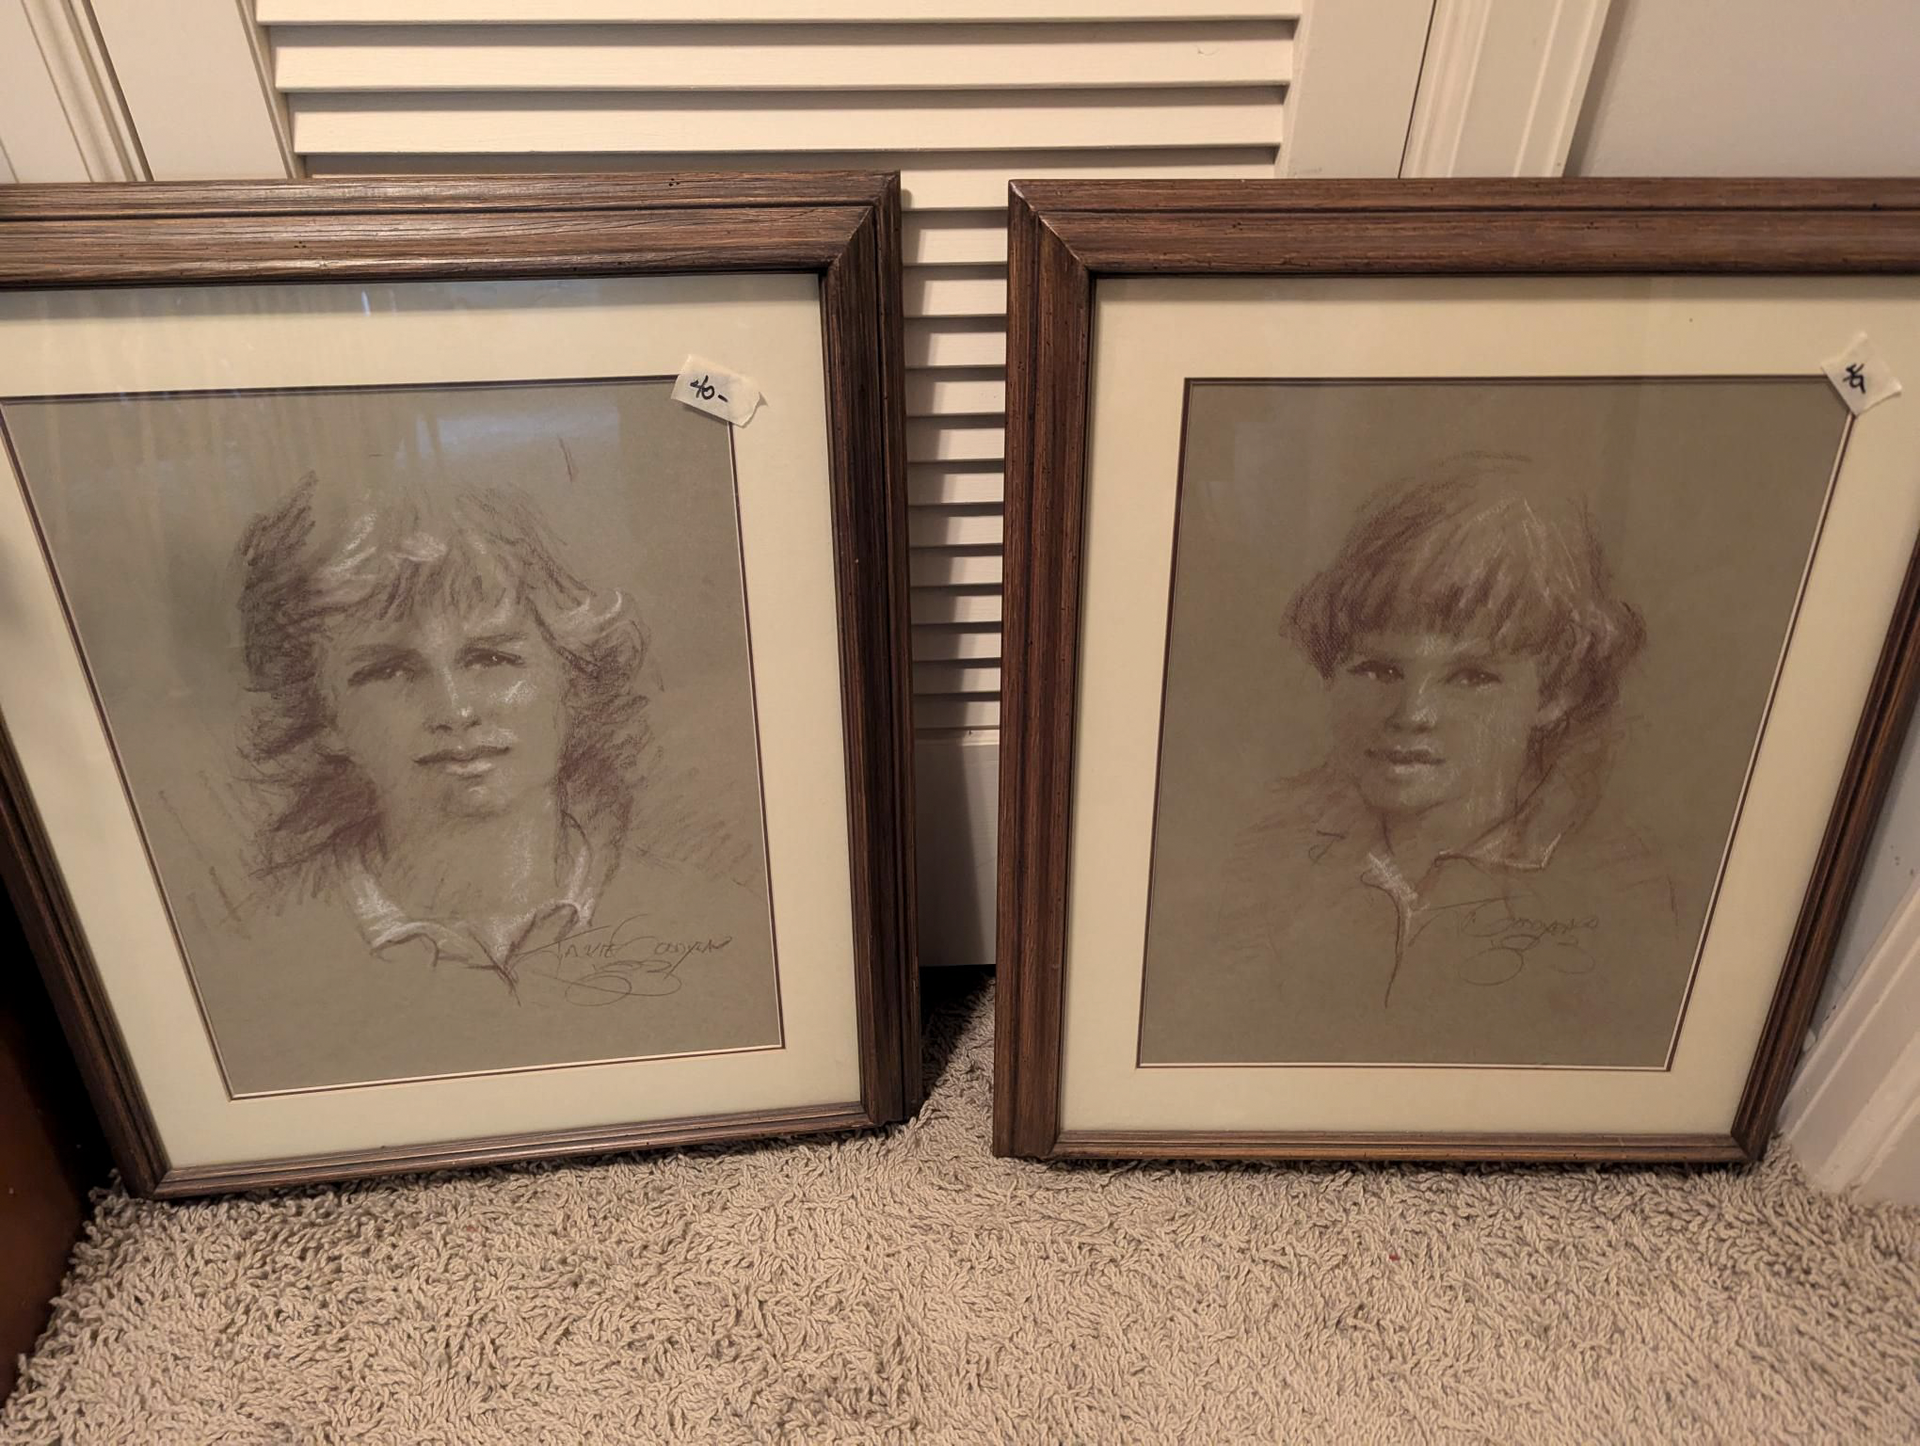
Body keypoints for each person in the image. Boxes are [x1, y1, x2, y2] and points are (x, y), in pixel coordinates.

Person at [1197, 458, 1685, 1067]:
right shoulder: (1262, 845)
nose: (1412, 712)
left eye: (1471, 677)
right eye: (1378, 670)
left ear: (1554, 693)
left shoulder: (1619, 888)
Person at [235, 474, 647, 989]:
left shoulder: (698, 909)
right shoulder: (257, 948)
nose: (454, 710)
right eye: (391, 671)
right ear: (323, 715)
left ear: (575, 679)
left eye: (492, 658)